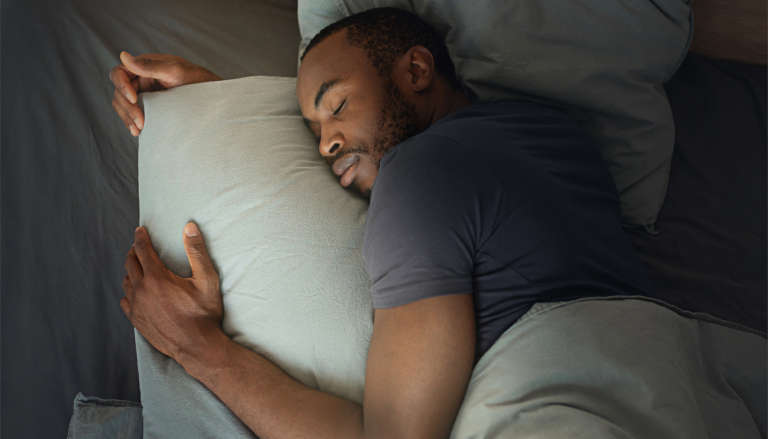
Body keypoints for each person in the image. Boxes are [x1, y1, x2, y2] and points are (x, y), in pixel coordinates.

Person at [113, 7, 650, 439]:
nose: (325, 143)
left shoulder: (416, 175)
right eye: (313, 128)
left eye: (338, 105)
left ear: (417, 71)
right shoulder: (556, 135)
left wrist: (196, 346)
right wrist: (218, 107)